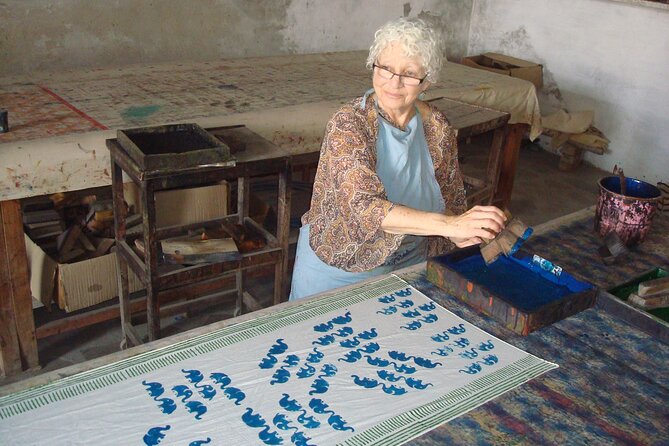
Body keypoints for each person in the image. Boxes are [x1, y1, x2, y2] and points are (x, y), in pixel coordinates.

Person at [289, 17, 506, 301]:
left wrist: (461, 231)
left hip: (408, 265)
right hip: (341, 269)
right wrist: (450, 225)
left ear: (427, 81)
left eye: (409, 73)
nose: (394, 82)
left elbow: (450, 198)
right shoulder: (350, 124)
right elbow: (364, 207)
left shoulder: (436, 127)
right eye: (385, 69)